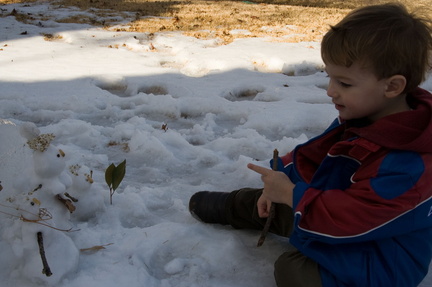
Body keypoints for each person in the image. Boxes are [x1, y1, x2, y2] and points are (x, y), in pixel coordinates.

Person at [188, 3, 432, 287]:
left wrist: (292, 195)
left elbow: (353, 219)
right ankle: (237, 207)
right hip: (337, 215)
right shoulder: (367, 114)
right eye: (330, 77)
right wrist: (280, 179)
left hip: (379, 258)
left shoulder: (409, 165)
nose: (331, 90)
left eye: (344, 83)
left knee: (293, 271)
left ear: (392, 87)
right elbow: (319, 156)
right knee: (274, 199)